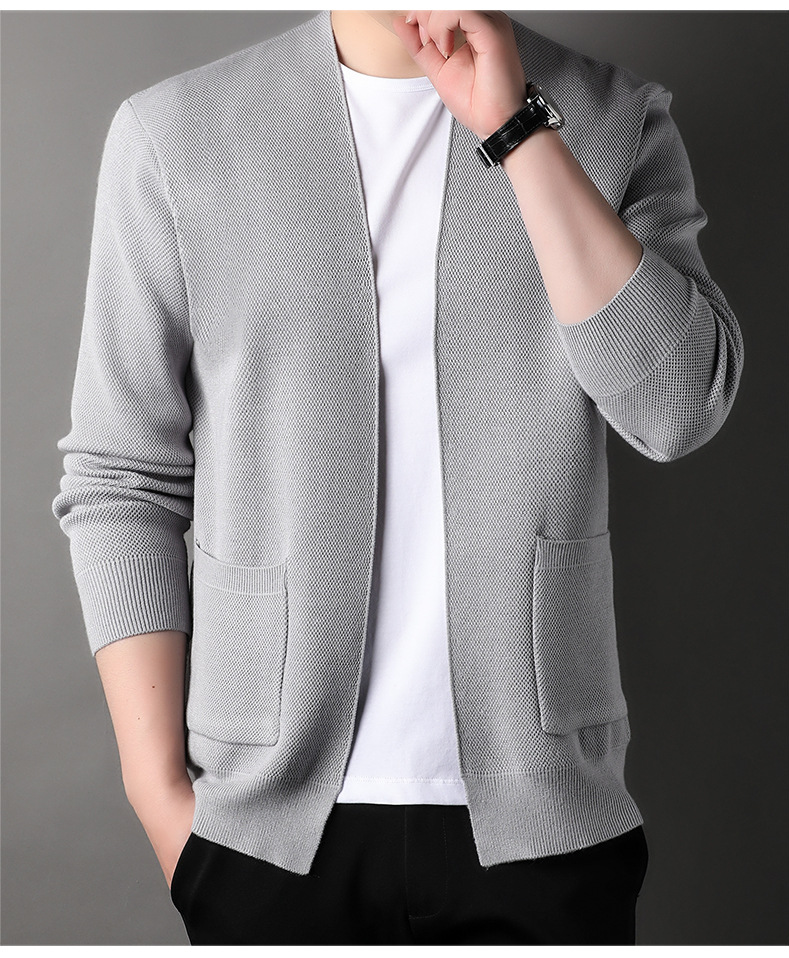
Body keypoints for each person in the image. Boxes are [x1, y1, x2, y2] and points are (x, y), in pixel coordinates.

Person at [52, 8, 744, 946]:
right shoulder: (176, 135)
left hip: (546, 824)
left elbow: (677, 410)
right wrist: (158, 796)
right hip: (268, 829)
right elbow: (120, 479)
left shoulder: (612, 119)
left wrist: (519, 129)